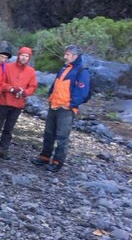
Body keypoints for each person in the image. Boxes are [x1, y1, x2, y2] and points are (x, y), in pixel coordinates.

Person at [32, 44, 90, 173]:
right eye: (65, 54)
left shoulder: (82, 71)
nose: (65, 56)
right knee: (49, 133)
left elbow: (82, 92)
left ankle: (57, 162)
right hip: (54, 105)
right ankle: (44, 157)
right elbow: (56, 84)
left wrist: (70, 105)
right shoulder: (64, 68)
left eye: (67, 54)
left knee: (62, 137)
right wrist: (50, 97)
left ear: (75, 56)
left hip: (66, 109)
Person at [0, 46, 37, 159]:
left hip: (18, 104)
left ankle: (3, 151)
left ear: (29, 58)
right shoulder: (7, 67)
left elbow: (32, 87)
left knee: (8, 129)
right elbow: (0, 82)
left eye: (26, 56)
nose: (24, 58)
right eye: (22, 55)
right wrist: (11, 89)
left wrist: (24, 92)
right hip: (4, 102)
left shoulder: (31, 72)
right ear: (18, 55)